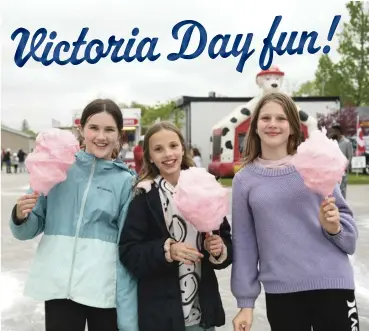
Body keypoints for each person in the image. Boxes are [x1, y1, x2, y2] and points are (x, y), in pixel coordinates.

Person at [231, 92, 359, 331]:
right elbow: (244, 244)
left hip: (332, 284)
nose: (272, 124)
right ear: (255, 126)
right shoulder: (244, 180)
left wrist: (334, 227)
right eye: (265, 118)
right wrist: (245, 303)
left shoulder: (315, 164)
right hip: (282, 293)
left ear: (292, 127)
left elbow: (349, 239)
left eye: (281, 119)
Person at [9, 99, 138, 331]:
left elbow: (126, 242)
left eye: (109, 130)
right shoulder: (57, 167)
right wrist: (20, 215)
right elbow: (29, 229)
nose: (101, 136)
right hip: (60, 287)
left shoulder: (125, 182)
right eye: (94, 128)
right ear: (81, 130)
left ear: (119, 134)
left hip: (103, 289)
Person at [119, 121, 232, 331]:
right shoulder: (144, 196)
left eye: (173, 146)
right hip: (162, 314)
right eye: (158, 149)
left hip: (202, 311)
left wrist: (219, 248)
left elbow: (225, 238)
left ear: (182, 148)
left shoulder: (204, 187)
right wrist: (167, 250)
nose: (168, 154)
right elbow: (129, 252)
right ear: (150, 156)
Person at [330, 122, 353, 199]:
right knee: (334, 191)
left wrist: (345, 168)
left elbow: (349, 157)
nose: (332, 132)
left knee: (342, 190)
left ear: (339, 131)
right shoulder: (332, 142)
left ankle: (343, 209)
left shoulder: (347, 142)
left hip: (343, 171)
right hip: (333, 171)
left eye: (334, 131)